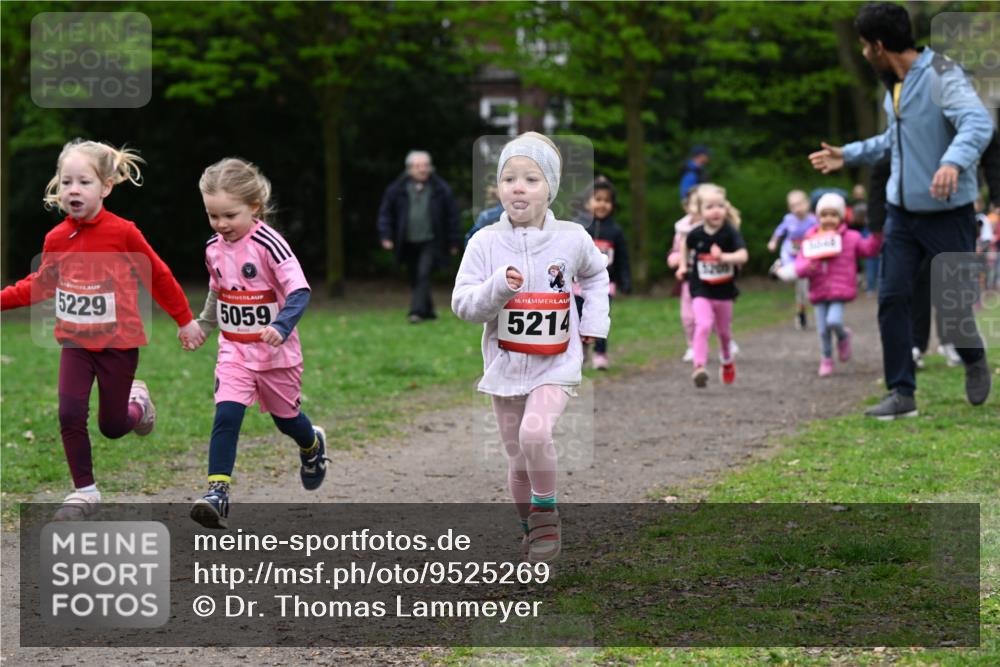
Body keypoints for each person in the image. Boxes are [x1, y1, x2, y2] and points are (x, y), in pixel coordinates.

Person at [809, 1, 994, 418]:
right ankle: (902, 393)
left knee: (952, 306)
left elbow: (978, 124)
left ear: (877, 45)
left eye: (863, 46)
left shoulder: (942, 75)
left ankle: (973, 356)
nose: (862, 54)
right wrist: (849, 154)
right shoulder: (895, 84)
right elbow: (895, 140)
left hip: (948, 211)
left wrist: (952, 161)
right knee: (892, 296)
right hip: (903, 213)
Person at [0, 139, 202, 519]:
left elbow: (157, 275)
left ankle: (137, 406)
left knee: (111, 426)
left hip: (118, 345)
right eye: (66, 182)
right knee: (69, 412)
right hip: (75, 343)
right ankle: (85, 492)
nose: (73, 190)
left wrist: (185, 319)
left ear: (106, 187)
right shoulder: (56, 238)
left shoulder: (123, 232)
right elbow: (41, 285)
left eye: (84, 182)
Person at [452, 132, 610, 562]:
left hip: (555, 361)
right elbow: (463, 305)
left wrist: (594, 321)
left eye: (531, 179)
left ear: (550, 188)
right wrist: (498, 287)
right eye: (509, 178)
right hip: (504, 366)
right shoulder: (483, 243)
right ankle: (529, 529)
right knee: (517, 456)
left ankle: (545, 516)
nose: (517, 187)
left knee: (535, 432)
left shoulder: (573, 238)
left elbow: (596, 276)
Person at [186, 158, 327, 529]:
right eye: (212, 216)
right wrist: (203, 323)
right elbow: (219, 292)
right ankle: (217, 493)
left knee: (287, 421)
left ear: (254, 207)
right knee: (227, 414)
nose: (220, 224)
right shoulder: (213, 248)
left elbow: (299, 290)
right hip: (234, 351)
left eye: (229, 215)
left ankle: (312, 445)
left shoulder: (269, 244)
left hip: (276, 354)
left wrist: (281, 325)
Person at [785, 193, 882, 377]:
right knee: (822, 330)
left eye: (833, 214)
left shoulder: (851, 238)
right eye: (824, 215)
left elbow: (868, 249)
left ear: (841, 216)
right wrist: (808, 266)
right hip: (818, 289)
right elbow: (800, 264)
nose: (828, 219)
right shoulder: (811, 238)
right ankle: (826, 359)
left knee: (834, 321)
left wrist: (878, 234)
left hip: (840, 290)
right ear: (818, 217)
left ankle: (843, 336)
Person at [675, 184, 748, 387]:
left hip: (724, 291)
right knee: (703, 324)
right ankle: (699, 367)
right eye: (709, 207)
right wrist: (682, 266)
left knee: (724, 333)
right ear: (700, 211)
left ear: (726, 208)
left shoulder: (730, 233)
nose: (715, 210)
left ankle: (726, 360)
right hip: (701, 288)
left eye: (720, 206)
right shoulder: (695, 233)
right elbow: (685, 244)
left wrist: (724, 256)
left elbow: (743, 255)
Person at [377, 150, 460, 323]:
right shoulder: (397, 189)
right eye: (418, 166)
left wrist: (453, 241)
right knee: (415, 276)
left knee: (423, 274)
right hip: (407, 241)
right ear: (409, 169)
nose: (422, 169)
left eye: (425, 166)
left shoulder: (440, 189)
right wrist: (386, 235)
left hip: (431, 241)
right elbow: (386, 213)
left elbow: (452, 216)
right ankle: (429, 311)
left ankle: (415, 312)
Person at [574, 179, 631, 370]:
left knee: (598, 319)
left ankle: (600, 353)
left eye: (607, 201)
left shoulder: (615, 231)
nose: (602, 204)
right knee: (578, 318)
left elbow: (623, 258)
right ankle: (580, 350)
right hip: (578, 285)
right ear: (587, 202)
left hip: (605, 285)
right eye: (597, 199)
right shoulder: (579, 229)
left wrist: (625, 280)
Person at [767, 189, 816, 330]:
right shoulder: (788, 219)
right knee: (789, 277)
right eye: (793, 206)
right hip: (789, 255)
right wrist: (773, 242)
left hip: (805, 256)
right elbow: (779, 232)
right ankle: (778, 266)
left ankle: (801, 314)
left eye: (800, 204)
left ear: (807, 203)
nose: (797, 209)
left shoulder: (813, 220)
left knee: (802, 290)